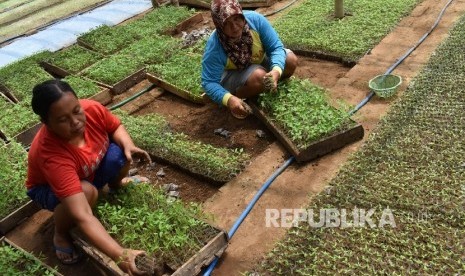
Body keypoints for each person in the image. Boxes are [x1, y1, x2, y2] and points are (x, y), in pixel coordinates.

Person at [26, 79, 151, 275]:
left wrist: (129, 144)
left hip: (85, 171)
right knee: (87, 193)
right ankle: (60, 234)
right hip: (47, 189)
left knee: (119, 153)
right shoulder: (50, 154)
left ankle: (117, 184)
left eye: (76, 110)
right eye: (62, 119)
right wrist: (120, 254)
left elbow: (115, 127)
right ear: (46, 123)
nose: (75, 122)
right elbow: (83, 215)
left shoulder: (91, 109)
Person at [201, 0, 298, 119]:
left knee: (290, 60)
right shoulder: (215, 46)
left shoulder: (255, 20)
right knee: (259, 77)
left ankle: (269, 83)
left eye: (237, 19)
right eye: (227, 23)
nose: (235, 27)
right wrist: (229, 99)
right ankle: (239, 97)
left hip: (258, 61)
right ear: (219, 24)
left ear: (241, 14)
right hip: (233, 75)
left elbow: (276, 48)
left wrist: (276, 71)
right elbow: (209, 82)